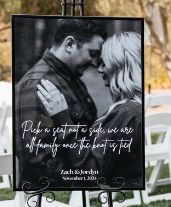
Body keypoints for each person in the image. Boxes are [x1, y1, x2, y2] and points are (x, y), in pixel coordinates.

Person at [37, 31, 144, 189]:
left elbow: (91, 172)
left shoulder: (127, 112)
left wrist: (62, 118)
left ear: (121, 65)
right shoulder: (133, 108)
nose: (99, 69)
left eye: (104, 63)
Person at [14, 19, 106, 188]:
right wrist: (85, 180)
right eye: (92, 53)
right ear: (70, 44)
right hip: (51, 199)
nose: (94, 63)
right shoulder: (35, 84)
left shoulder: (71, 77)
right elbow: (37, 159)